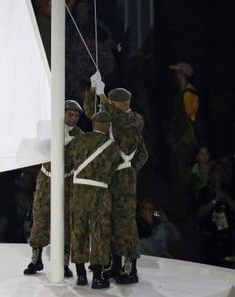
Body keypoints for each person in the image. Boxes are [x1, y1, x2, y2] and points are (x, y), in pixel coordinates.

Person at [84, 73, 148, 284]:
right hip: (109, 176)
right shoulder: (112, 117)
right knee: (109, 220)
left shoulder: (134, 118)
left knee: (125, 223)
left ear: (124, 103)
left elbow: (121, 123)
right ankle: (115, 264)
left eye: (114, 102)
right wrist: (93, 91)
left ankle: (131, 267)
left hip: (123, 178)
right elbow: (91, 112)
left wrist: (128, 170)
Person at [23, 100, 84, 278]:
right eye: (70, 114)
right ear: (63, 113)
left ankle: (64, 262)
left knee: (66, 220)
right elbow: (38, 147)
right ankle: (36, 258)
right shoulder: (49, 130)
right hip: (47, 177)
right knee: (41, 216)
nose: (73, 118)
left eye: (76, 115)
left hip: (67, 180)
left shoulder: (80, 135)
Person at [69, 110, 120, 288]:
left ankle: (81, 275)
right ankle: (97, 277)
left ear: (93, 124)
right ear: (108, 127)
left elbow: (68, 163)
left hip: (79, 192)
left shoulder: (78, 140)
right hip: (100, 193)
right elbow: (114, 170)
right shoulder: (112, 147)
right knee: (100, 234)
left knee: (78, 232)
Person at [196, 163, 235, 267]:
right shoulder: (204, 191)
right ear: (211, 175)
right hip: (208, 239)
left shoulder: (232, 190)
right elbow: (200, 212)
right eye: (216, 171)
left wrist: (226, 197)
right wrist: (215, 200)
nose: (219, 174)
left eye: (221, 171)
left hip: (226, 240)